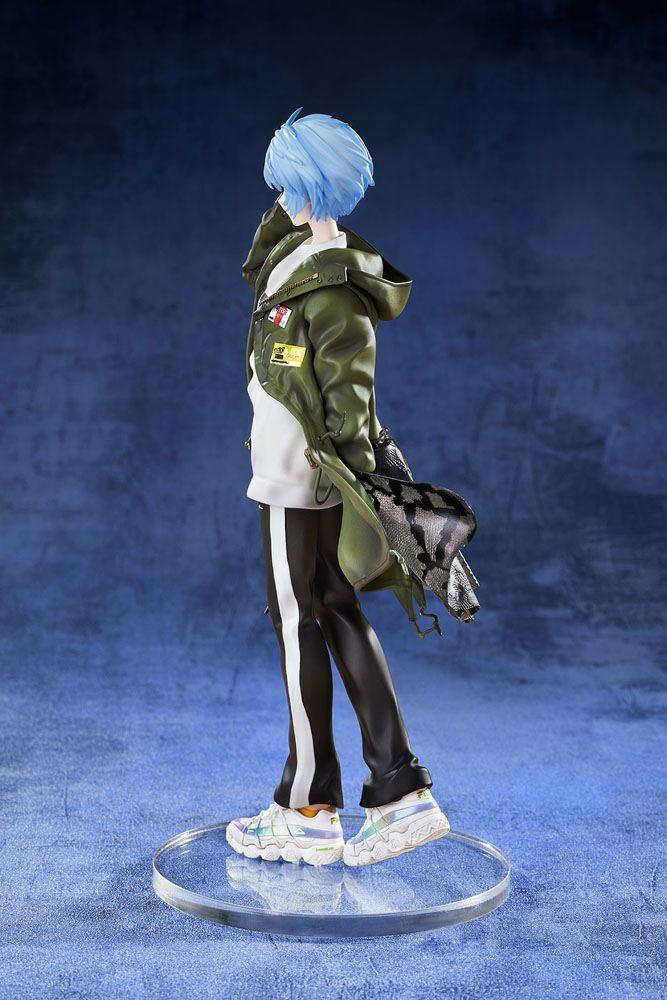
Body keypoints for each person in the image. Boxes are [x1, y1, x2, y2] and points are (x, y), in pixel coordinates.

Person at [226, 109, 451, 867]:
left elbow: (349, 410)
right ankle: (396, 789)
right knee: (333, 614)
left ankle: (308, 805)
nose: (279, 198)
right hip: (290, 477)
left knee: (301, 626)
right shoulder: (297, 258)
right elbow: (263, 264)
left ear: (310, 187)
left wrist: (357, 487)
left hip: (301, 486)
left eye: (289, 183)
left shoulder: (334, 290)